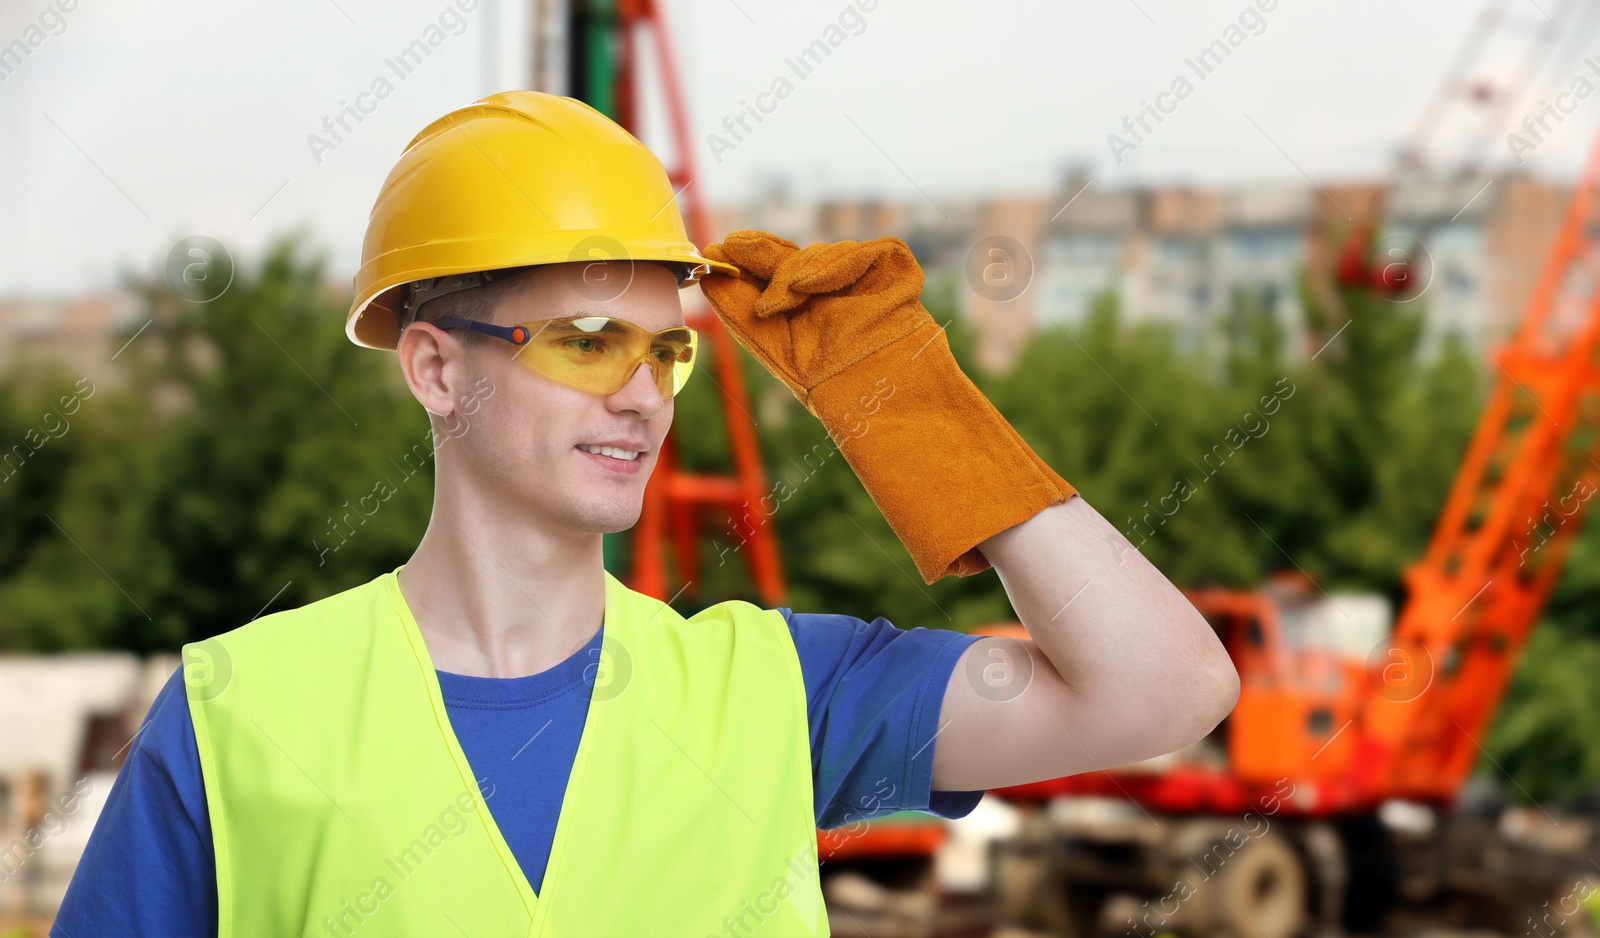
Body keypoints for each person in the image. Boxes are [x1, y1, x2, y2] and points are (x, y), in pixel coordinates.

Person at [53, 90, 1237, 937]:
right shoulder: (240, 712)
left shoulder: (780, 692)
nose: (637, 391)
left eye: (664, 349)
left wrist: (907, 399)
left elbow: (1165, 687)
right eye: (583, 341)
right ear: (432, 367)